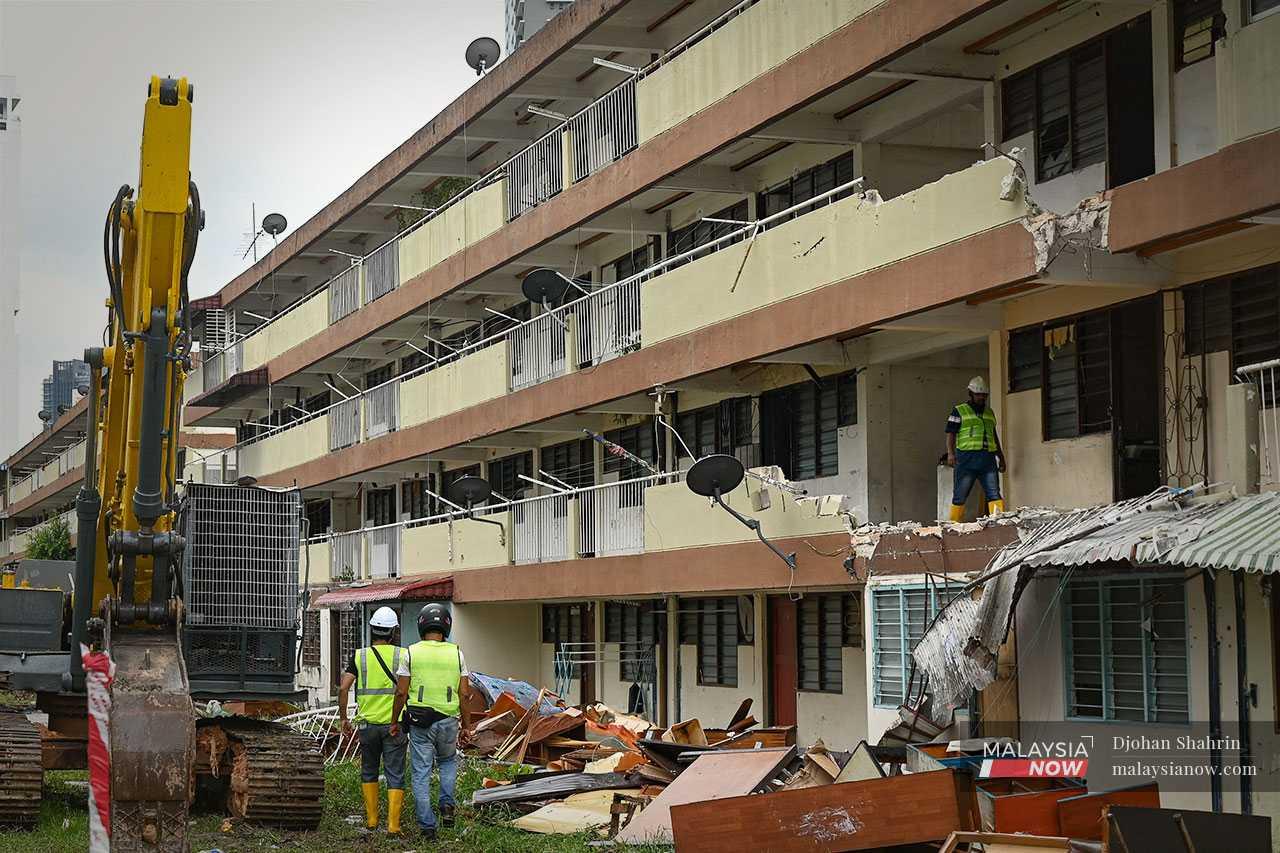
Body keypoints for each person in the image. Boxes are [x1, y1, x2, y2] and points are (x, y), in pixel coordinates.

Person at [392, 602, 472, 840]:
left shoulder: (411, 652)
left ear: (421, 625)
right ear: (446, 625)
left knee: (421, 772)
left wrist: (394, 719)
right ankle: (447, 804)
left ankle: (427, 825)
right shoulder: (457, 654)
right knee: (447, 762)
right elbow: (464, 694)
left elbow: (401, 692)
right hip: (448, 720)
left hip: (420, 723)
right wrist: (466, 725)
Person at [338, 606, 408, 835]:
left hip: (367, 726)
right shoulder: (402, 655)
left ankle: (371, 821)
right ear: (394, 631)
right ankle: (394, 826)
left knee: (369, 770)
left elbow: (344, 687)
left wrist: (344, 719)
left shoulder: (360, 656)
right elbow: (405, 690)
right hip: (394, 725)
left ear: (372, 630)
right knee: (395, 773)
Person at [944, 375, 1006, 521]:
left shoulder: (989, 413)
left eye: (984, 395)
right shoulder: (959, 411)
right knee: (960, 494)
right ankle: (953, 525)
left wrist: (1001, 458)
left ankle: (999, 524)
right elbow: (950, 433)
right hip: (966, 459)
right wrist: (950, 454)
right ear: (971, 394)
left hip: (988, 459)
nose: (981, 398)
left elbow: (994, 436)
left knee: (994, 493)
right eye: (978, 395)